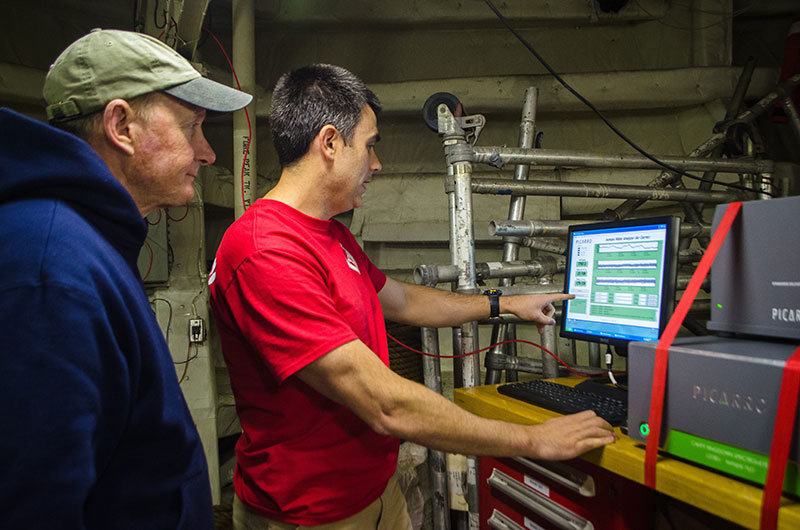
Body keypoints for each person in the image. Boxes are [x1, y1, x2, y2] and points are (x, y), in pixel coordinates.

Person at [208, 63, 616, 529]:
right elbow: (385, 403)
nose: (376, 164)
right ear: (329, 143)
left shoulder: (330, 236)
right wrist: (532, 440)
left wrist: (504, 303)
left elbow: (402, 301)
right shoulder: (265, 250)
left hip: (377, 494)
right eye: (370, 145)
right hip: (311, 515)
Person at [0, 29, 251, 529]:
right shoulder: (51, 272)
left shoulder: (87, 241)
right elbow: (36, 506)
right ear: (121, 125)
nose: (207, 153)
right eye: (191, 127)